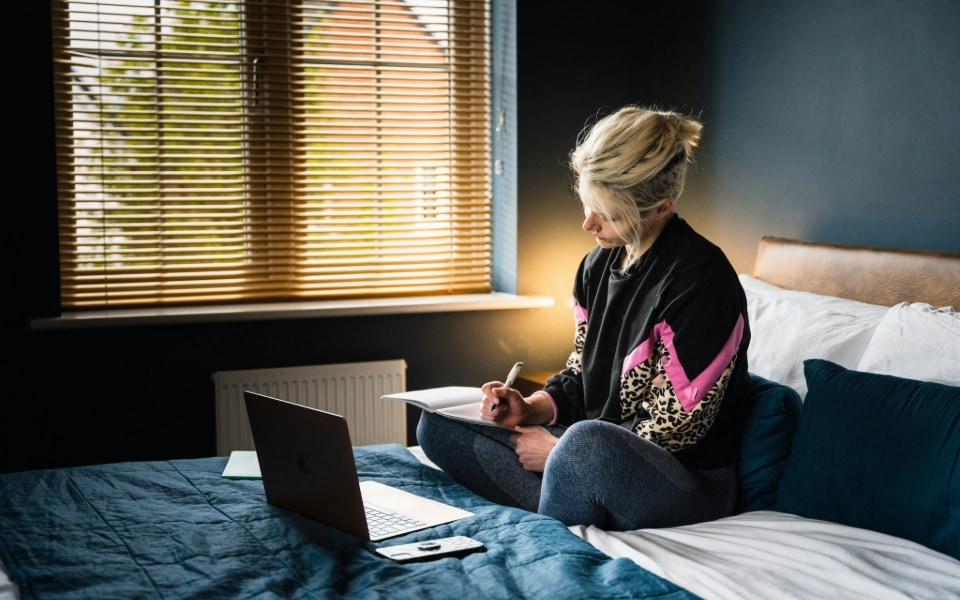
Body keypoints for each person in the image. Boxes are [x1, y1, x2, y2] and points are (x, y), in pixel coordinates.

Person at [416, 104, 752, 530]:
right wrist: (530, 409)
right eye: (588, 204)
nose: (587, 223)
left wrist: (557, 450)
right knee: (438, 425)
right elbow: (580, 373)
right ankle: (566, 494)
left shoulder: (701, 281)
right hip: (589, 452)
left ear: (660, 207)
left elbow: (673, 430)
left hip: (684, 482)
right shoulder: (597, 266)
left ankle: (560, 497)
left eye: (607, 213)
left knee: (585, 444)